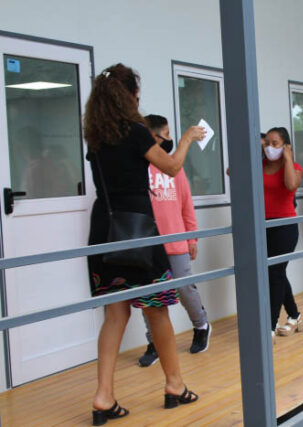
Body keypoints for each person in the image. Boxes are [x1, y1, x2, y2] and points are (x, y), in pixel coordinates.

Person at [84, 64, 203, 424]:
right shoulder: (136, 132)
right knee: (156, 308)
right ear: (130, 96)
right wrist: (185, 139)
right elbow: (171, 167)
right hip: (138, 229)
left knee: (115, 313)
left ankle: (104, 396)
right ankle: (175, 384)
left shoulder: (96, 137)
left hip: (105, 230)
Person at [137, 114, 211, 368]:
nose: (170, 139)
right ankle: (154, 341)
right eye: (167, 134)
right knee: (150, 295)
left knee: (184, 288)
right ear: (153, 137)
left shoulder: (174, 166)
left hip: (176, 240)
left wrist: (192, 237)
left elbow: (186, 204)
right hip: (149, 244)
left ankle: (201, 325)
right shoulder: (139, 166)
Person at [263, 127, 303, 338]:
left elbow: (290, 184)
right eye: (266, 143)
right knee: (275, 273)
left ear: (286, 145)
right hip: (263, 226)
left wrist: (287, 158)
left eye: (275, 143)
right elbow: (232, 172)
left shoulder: (294, 167)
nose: (269, 147)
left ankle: (270, 325)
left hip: (285, 227)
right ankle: (294, 315)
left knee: (274, 273)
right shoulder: (260, 164)